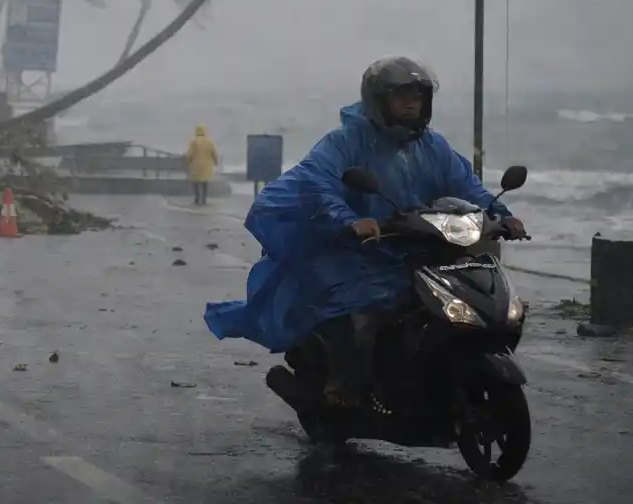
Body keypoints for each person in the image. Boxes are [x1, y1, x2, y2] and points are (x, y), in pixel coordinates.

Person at [204, 56, 527, 410]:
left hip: (414, 244)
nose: (411, 103)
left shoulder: (432, 147)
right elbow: (318, 182)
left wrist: (501, 213)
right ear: (378, 101)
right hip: (354, 248)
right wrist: (349, 220)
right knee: (358, 306)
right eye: (401, 95)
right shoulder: (346, 142)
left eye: (417, 96)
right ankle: (343, 385)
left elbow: (466, 184)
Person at [185, 124, 219, 206]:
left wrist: (187, 162)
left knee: (195, 183)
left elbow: (189, 155)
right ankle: (203, 199)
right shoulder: (209, 142)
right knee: (205, 183)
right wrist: (216, 162)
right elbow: (214, 154)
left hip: (195, 166)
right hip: (207, 166)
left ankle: (197, 198)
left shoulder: (194, 142)